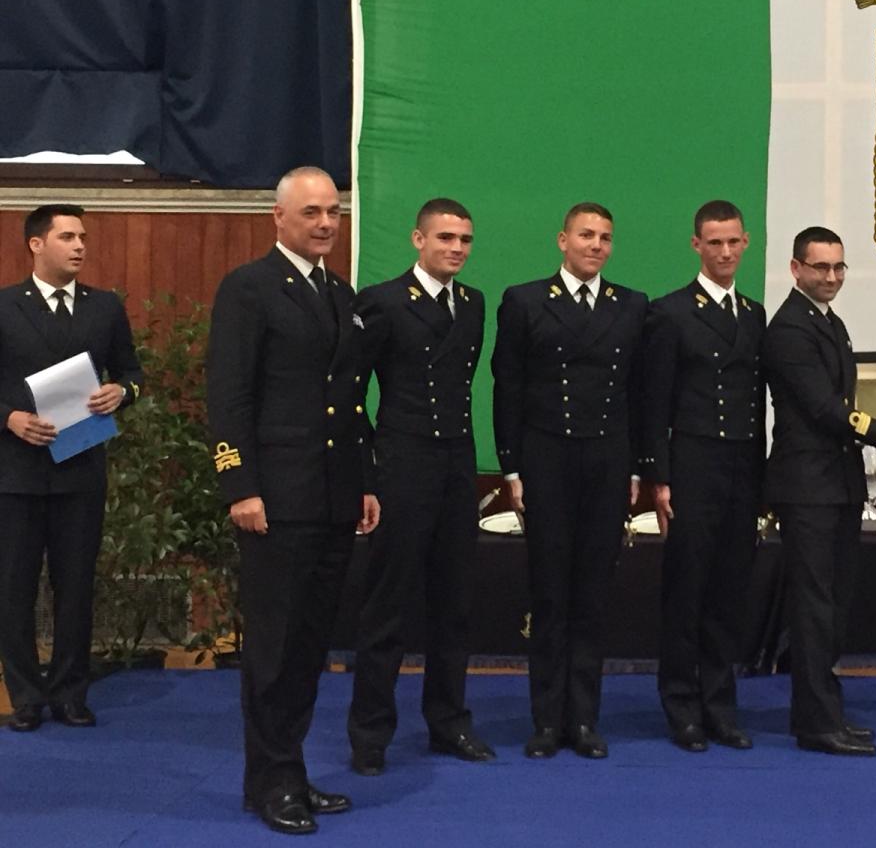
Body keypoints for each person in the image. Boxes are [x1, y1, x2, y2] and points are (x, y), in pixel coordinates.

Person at [206, 167, 381, 835]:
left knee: (309, 646)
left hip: (332, 496)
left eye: (333, 211)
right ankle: (272, 779)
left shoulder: (339, 293)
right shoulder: (249, 288)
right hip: (275, 498)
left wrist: (365, 481)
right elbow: (229, 397)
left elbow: (350, 402)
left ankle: (288, 770)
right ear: (278, 217)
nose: (326, 223)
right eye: (312, 212)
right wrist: (240, 485)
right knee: (274, 648)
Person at [763, 226, 876, 757]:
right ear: (795, 269)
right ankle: (817, 723)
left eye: (839, 267)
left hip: (836, 482)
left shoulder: (829, 322)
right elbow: (824, 407)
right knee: (814, 607)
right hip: (807, 486)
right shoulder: (789, 329)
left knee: (834, 604)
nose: (831, 276)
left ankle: (824, 711)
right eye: (820, 267)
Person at [491, 202, 647, 760]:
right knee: (550, 593)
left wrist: (636, 467)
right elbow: (507, 387)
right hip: (546, 460)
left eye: (605, 237)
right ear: (562, 240)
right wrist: (511, 468)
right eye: (586, 235)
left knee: (592, 597)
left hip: (606, 461)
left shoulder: (631, 305)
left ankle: (583, 719)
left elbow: (637, 394)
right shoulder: (525, 301)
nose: (596, 245)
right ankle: (545, 721)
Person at [347, 198, 493, 774]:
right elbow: (351, 394)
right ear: (418, 239)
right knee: (389, 606)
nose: (456, 248)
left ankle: (449, 722)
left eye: (465, 240)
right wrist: (366, 475)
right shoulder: (382, 301)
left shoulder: (473, 303)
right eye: (445, 238)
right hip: (402, 463)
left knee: (454, 603)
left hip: (457, 464)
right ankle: (370, 734)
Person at [0, 204, 142, 733]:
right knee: (13, 590)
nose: (80, 245)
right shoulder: (4, 306)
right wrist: (9, 417)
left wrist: (121, 392)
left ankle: (69, 693)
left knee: (76, 588)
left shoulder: (105, 307)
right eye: (67, 237)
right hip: (15, 472)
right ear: (36, 244)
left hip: (80, 468)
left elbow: (132, 371)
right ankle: (25, 695)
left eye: (82, 236)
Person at [639, 200, 765, 752]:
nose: (725, 252)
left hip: (741, 468)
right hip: (691, 465)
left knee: (728, 592)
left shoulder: (754, 314)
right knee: (686, 592)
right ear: (696, 245)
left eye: (733, 241)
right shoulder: (670, 312)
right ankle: (681, 707)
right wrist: (658, 478)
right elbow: (654, 402)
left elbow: (756, 402)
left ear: (746, 242)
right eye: (714, 243)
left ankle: (720, 705)